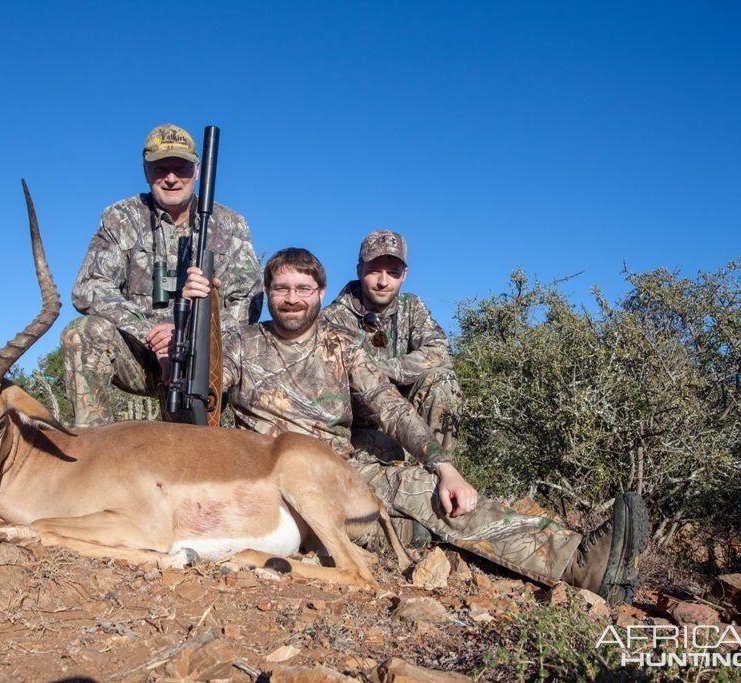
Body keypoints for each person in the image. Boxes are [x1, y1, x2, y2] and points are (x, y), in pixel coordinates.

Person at [182, 248, 648, 604]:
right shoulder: (239, 343)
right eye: (282, 289)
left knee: (430, 493)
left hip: (339, 470)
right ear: (269, 293)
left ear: (321, 294)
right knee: (396, 516)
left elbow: (390, 406)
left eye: (303, 289)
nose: (292, 299)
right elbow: (199, 396)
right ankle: (400, 536)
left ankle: (576, 562)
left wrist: (444, 467)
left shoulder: (343, 344)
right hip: (268, 480)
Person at [61, 124, 263, 426]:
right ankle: (93, 450)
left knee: (191, 443)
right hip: (141, 353)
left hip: (201, 358)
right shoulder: (120, 217)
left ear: (196, 171)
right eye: (160, 168)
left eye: (180, 168)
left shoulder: (231, 224)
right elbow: (89, 287)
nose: (170, 178)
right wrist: (154, 335)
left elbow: (249, 301)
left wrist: (192, 338)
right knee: (83, 332)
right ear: (146, 171)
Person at [321, 230, 460, 548]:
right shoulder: (332, 318)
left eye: (392, 272)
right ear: (358, 270)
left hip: (405, 420)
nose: (383, 281)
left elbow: (439, 353)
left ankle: (441, 478)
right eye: (374, 270)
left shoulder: (413, 308)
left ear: (404, 275)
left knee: (441, 379)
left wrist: (381, 371)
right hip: (361, 431)